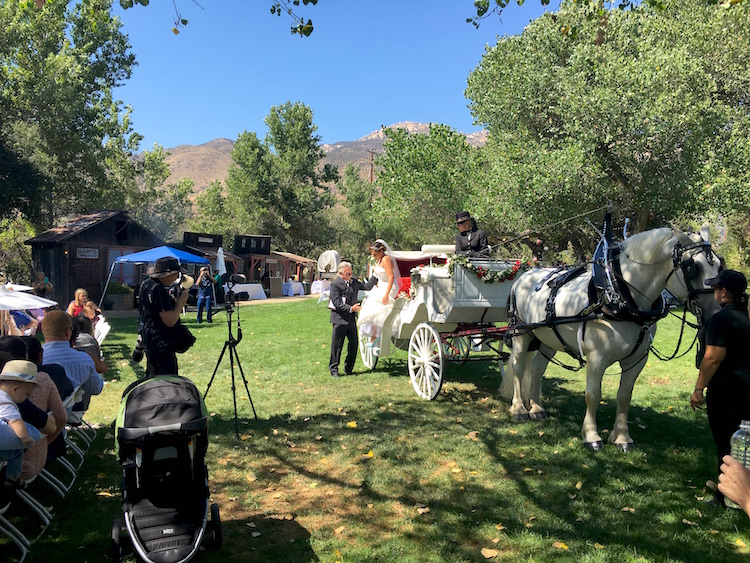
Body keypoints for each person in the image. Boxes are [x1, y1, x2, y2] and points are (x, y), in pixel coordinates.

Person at [690, 269, 750, 505]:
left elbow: (713, 359)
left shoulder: (721, 320)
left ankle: (726, 496)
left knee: (727, 441)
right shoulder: (746, 316)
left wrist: (698, 389)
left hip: (728, 390)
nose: (714, 292)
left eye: (715, 288)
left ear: (723, 293)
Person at [138, 256, 194, 377]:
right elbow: (170, 321)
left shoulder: (146, 284)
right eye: (176, 274)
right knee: (166, 376)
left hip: (149, 336)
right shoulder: (158, 290)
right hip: (160, 341)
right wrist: (180, 302)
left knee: (152, 374)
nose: (177, 277)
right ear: (169, 274)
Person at [0, 359, 44, 513]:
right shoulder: (5, 402)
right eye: (26, 394)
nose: (26, 398)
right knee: (18, 450)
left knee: (12, 452)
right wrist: (25, 439)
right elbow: (16, 424)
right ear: (15, 389)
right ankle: (12, 477)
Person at [41, 310, 103, 413]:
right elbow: (95, 388)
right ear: (68, 332)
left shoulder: (37, 360)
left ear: (44, 331)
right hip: (72, 411)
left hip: (40, 416)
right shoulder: (85, 359)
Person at [328, 261, 377, 377]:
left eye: (351, 273)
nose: (350, 276)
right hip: (339, 319)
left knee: (354, 344)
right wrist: (351, 308)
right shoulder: (335, 284)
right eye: (348, 274)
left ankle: (349, 368)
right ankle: (334, 369)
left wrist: (375, 275)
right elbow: (337, 303)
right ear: (341, 273)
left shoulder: (354, 282)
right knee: (337, 345)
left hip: (350, 320)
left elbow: (366, 287)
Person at [357, 240, 401, 353]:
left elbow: (391, 277)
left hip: (389, 287)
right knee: (371, 304)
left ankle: (377, 335)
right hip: (381, 285)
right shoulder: (380, 260)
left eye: (375, 254)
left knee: (378, 304)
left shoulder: (386, 259)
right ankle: (375, 334)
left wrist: (386, 294)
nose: (374, 256)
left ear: (381, 251)